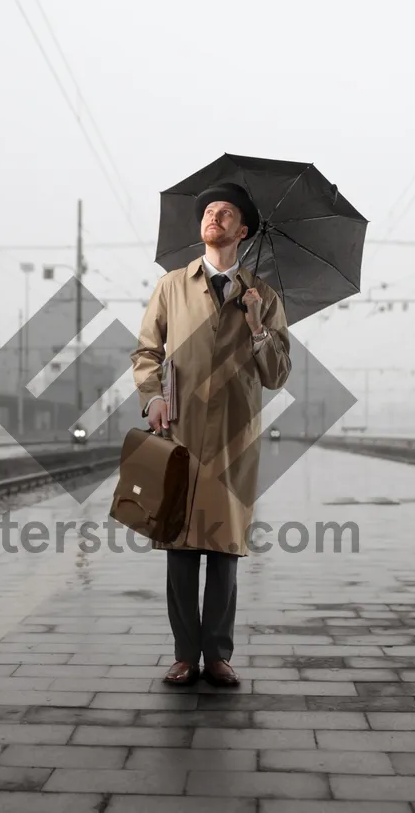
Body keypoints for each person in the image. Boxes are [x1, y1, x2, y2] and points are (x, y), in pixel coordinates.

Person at [131, 181, 292, 687]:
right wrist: (152, 397)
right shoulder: (172, 286)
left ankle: (218, 655)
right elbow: (146, 353)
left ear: (243, 230)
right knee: (179, 547)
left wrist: (257, 323)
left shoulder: (262, 296)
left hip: (235, 434)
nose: (214, 216)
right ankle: (184, 655)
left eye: (225, 212)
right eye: (209, 211)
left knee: (224, 549)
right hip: (181, 427)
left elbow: (278, 373)